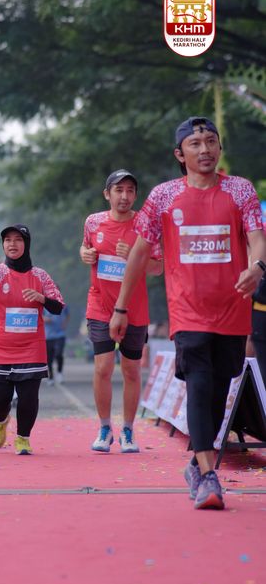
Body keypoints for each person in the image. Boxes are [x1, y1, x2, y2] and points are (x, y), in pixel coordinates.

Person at [109, 116, 266, 510]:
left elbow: (257, 238)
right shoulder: (163, 197)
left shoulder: (240, 190)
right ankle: (209, 475)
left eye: (211, 141)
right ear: (180, 154)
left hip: (232, 307)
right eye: (195, 144)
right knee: (198, 381)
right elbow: (139, 255)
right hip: (188, 310)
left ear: (219, 148)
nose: (205, 149)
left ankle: (198, 464)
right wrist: (121, 307)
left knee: (218, 388)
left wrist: (257, 267)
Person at [81, 169, 163, 454]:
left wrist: (134, 257)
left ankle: (128, 429)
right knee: (102, 367)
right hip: (100, 305)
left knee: (130, 370)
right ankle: (105, 428)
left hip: (134, 308)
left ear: (135, 195)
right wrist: (84, 254)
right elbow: (86, 249)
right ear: (107, 194)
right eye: (119, 190)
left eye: (130, 190)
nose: (124, 196)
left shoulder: (146, 224)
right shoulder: (93, 222)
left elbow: (158, 267)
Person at [0, 222, 64, 455]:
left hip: (31, 347)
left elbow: (58, 307)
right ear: (3, 245)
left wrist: (41, 298)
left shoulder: (40, 275)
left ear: (26, 244)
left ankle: (23, 438)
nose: (12, 244)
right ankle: (1, 421)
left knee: (28, 397)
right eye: (8, 240)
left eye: (18, 240)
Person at [44, 301, 69, 384]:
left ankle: (59, 372)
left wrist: (65, 323)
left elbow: (68, 315)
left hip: (60, 334)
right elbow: (39, 315)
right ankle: (51, 376)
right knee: (49, 358)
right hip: (48, 335)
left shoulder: (63, 304)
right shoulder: (44, 303)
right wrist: (45, 319)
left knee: (59, 354)